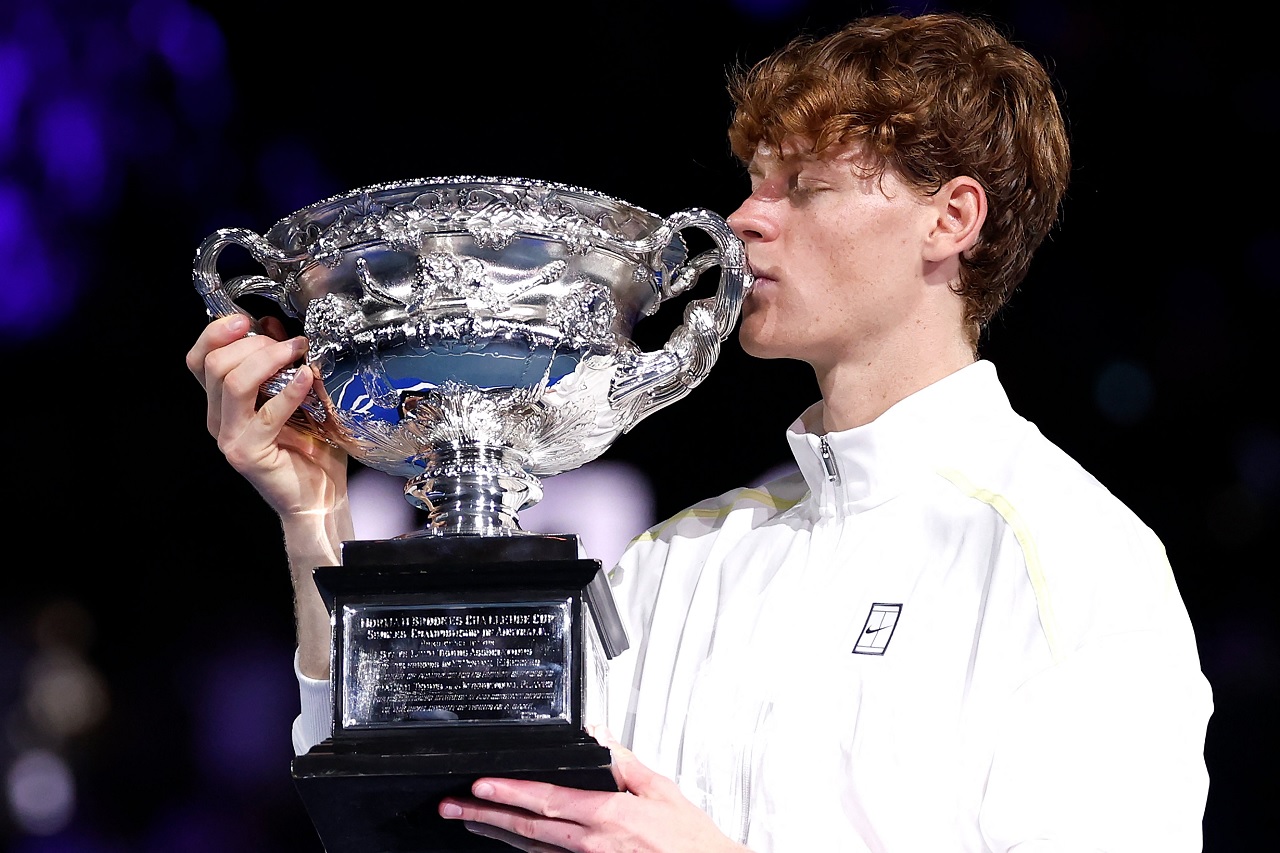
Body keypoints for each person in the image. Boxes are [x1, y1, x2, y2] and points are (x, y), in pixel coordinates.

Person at [186, 10, 1213, 852]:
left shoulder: (1074, 559)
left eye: (802, 188)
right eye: (753, 184)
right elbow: (408, 795)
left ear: (949, 221)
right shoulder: (677, 562)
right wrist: (311, 514)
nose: (743, 222)